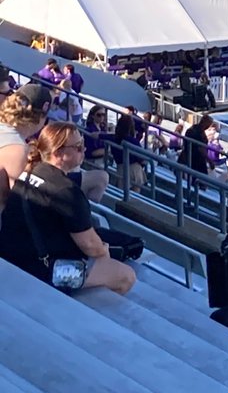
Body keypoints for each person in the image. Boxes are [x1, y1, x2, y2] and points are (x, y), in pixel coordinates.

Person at [0, 121, 136, 295]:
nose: (84, 150)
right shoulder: (66, 190)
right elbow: (90, 245)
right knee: (125, 275)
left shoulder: (28, 172)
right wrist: (104, 251)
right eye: (78, 147)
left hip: (10, 256)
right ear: (58, 154)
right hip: (43, 271)